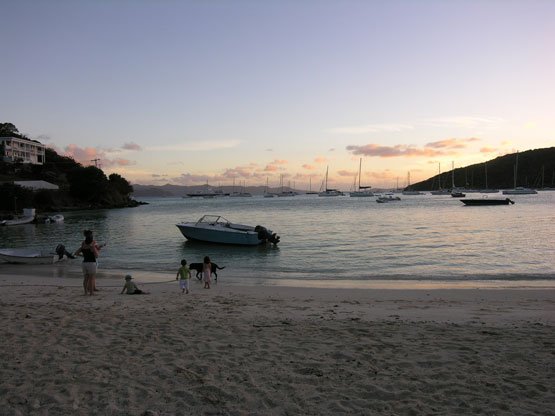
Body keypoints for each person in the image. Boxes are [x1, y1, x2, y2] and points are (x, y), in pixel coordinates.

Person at [74, 229, 99, 296]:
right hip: (91, 263)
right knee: (91, 278)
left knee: (85, 278)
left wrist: (84, 255)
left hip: (84, 263)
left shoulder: (83, 246)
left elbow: (76, 253)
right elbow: (96, 256)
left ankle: (85, 292)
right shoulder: (92, 246)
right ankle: (91, 292)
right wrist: (94, 247)